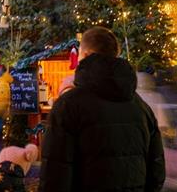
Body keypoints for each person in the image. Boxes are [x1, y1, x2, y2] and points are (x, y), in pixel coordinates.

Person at [39, 26, 165, 192]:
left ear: (84, 54)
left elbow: (54, 173)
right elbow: (156, 172)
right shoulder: (141, 107)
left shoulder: (68, 105)